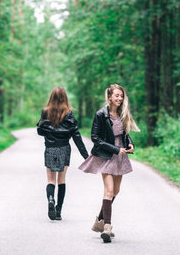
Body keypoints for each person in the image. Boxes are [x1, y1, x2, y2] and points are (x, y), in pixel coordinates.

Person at [79, 84, 140, 243]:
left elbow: (125, 134)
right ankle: (107, 227)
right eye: (117, 95)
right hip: (106, 155)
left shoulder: (123, 113)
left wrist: (130, 144)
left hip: (120, 155)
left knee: (116, 191)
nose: (119, 98)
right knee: (109, 190)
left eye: (121, 96)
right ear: (110, 97)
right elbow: (95, 138)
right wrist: (114, 149)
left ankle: (99, 219)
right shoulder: (101, 114)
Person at [37, 87, 89, 221]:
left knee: (50, 180)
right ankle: (58, 211)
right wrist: (86, 156)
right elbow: (76, 136)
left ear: (51, 97)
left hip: (50, 148)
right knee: (61, 179)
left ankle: (50, 199)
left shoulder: (45, 112)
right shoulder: (69, 113)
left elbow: (40, 131)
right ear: (65, 98)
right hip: (64, 148)